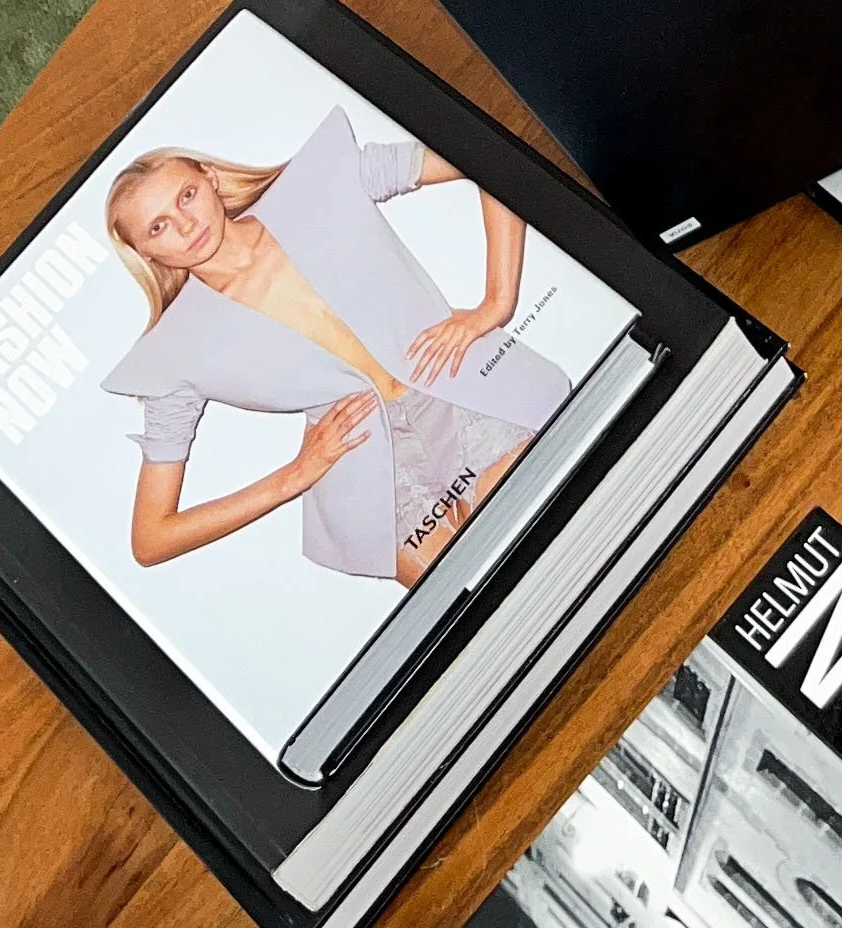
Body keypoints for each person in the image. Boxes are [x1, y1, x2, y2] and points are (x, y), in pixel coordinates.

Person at [98, 105, 566, 588]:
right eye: (157, 227)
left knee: (561, 535)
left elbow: (488, 152)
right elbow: (151, 539)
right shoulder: (174, 354)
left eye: (186, 196)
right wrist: (293, 477)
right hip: (364, 471)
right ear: (146, 253)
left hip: (463, 397)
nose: (185, 224)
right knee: (492, 606)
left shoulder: (320, 184)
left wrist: (497, 303)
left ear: (210, 178)